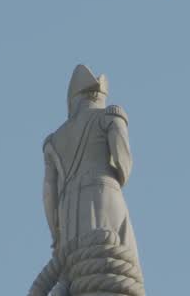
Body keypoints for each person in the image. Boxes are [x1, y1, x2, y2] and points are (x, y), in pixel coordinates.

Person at [42, 64, 140, 265]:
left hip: (67, 210)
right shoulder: (109, 116)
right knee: (121, 267)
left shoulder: (53, 140)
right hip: (104, 195)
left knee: (74, 275)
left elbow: (48, 193)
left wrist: (56, 235)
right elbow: (124, 165)